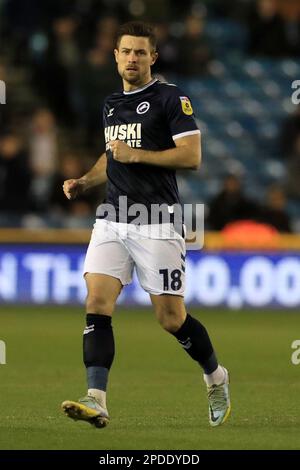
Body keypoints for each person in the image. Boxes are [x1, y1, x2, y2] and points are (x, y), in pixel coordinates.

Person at [61, 21, 230, 428]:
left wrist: (137, 155)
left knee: (171, 318)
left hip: (158, 219)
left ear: (152, 57)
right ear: (115, 55)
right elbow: (112, 154)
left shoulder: (172, 98)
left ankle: (216, 376)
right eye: (126, 51)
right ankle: (97, 398)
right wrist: (86, 179)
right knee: (97, 303)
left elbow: (191, 156)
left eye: (140, 52)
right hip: (112, 218)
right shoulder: (111, 104)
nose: (132, 58)